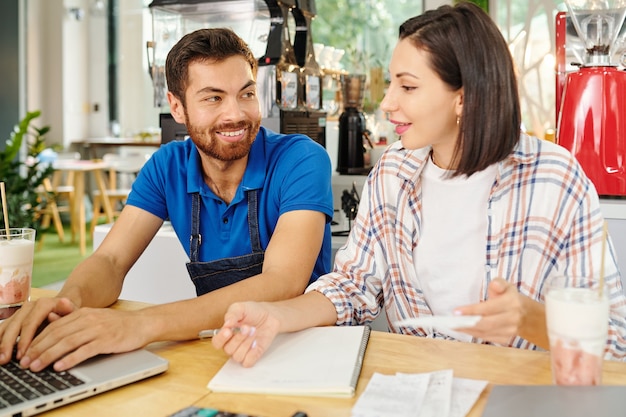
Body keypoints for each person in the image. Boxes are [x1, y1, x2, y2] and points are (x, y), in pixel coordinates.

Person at [212, 2, 626, 367]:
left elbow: (615, 338)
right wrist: (277, 315)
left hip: (519, 395)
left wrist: (535, 321)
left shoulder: (555, 179)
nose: (388, 101)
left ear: (464, 97)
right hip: (418, 389)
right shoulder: (393, 171)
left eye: (407, 86)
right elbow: (353, 287)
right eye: (392, 83)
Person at [0, 28, 333, 371]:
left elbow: (283, 281)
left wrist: (140, 324)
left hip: (303, 351)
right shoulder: (167, 166)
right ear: (177, 106)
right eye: (213, 98)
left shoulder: (301, 159)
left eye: (246, 94)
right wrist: (66, 304)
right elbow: (112, 261)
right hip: (221, 350)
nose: (235, 114)